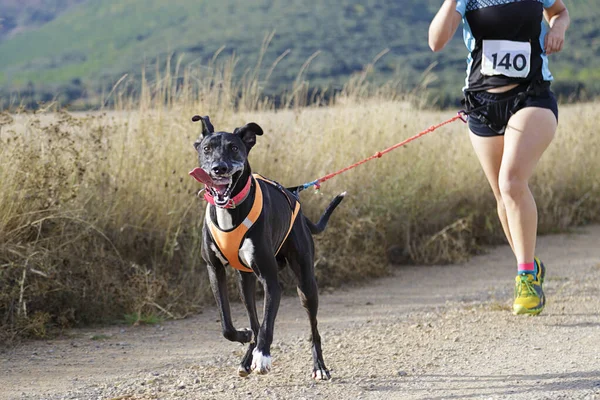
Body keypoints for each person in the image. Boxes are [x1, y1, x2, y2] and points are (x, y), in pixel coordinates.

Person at [428, 0, 570, 315]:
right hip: (481, 105)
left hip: (531, 96)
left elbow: (559, 11)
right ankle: (531, 267)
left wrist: (558, 27)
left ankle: (525, 281)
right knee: (502, 195)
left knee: (511, 182)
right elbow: (436, 42)